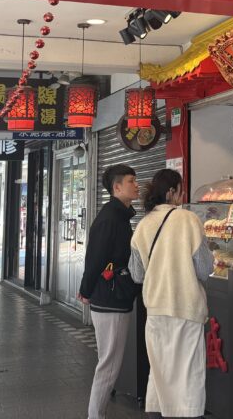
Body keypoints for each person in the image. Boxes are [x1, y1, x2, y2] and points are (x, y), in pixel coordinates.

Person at [129, 170, 213, 419]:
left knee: (159, 372)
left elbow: (137, 274)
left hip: (155, 310)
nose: (182, 195)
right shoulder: (189, 220)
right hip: (186, 308)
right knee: (189, 376)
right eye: (180, 190)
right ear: (171, 192)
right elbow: (204, 269)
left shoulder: (143, 225)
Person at [79, 164, 141, 419]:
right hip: (109, 298)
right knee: (109, 364)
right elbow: (95, 258)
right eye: (131, 181)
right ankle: (95, 415)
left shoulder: (120, 215)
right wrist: (85, 290)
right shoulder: (110, 218)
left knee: (110, 363)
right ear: (117, 187)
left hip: (114, 296)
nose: (136, 185)